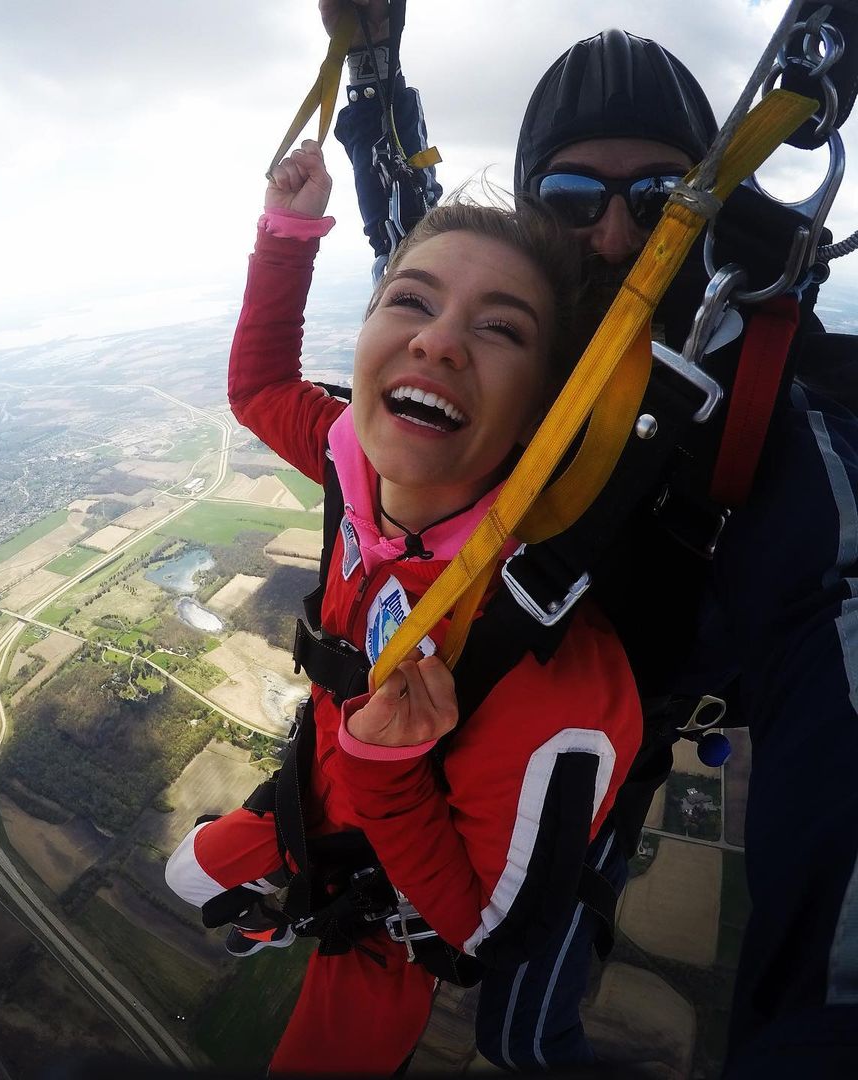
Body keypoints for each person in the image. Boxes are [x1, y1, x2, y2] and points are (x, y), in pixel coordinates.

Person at [322, 3, 858, 1076]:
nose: (616, 236)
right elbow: (410, 228)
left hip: (670, 695)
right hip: (576, 732)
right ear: (530, 218)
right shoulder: (506, 344)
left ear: (711, 204)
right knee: (520, 1036)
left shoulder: (771, 407)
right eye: (572, 199)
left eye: (660, 195)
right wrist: (373, 73)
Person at [163, 139, 642, 1075]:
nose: (437, 340)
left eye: (500, 330)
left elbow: (481, 932)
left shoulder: (546, 664)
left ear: (541, 412)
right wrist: (288, 234)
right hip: (310, 792)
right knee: (182, 874)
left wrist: (386, 775)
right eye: (410, 301)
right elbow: (261, 389)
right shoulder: (355, 456)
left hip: (389, 888)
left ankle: (293, 901)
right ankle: (270, 887)